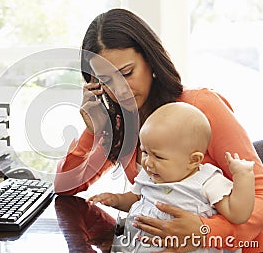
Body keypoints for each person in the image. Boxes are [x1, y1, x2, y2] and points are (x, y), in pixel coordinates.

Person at [53, 8, 263, 252]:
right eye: (106, 81)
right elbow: (64, 187)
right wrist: (92, 131)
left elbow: (260, 195)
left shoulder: (201, 106)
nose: (120, 90)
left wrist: (205, 230)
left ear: (150, 61)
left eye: (127, 73)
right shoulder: (119, 123)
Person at [87, 102, 255, 252]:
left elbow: (238, 214)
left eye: (158, 157)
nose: (148, 162)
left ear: (193, 160)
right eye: (145, 152)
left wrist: (243, 177)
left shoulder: (207, 181)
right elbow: (136, 199)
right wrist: (116, 199)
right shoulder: (150, 174)